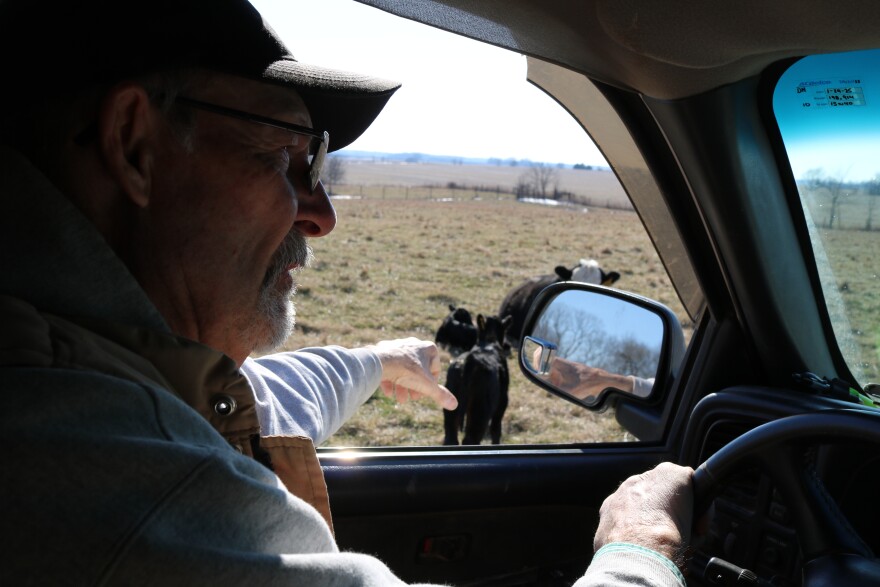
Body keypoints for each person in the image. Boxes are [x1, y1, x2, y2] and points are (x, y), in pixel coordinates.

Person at [0, 0, 695, 584]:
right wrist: (640, 547)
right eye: (286, 157)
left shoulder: (91, 370)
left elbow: (248, 398)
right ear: (134, 146)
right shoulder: (122, 474)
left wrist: (374, 360)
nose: (323, 214)